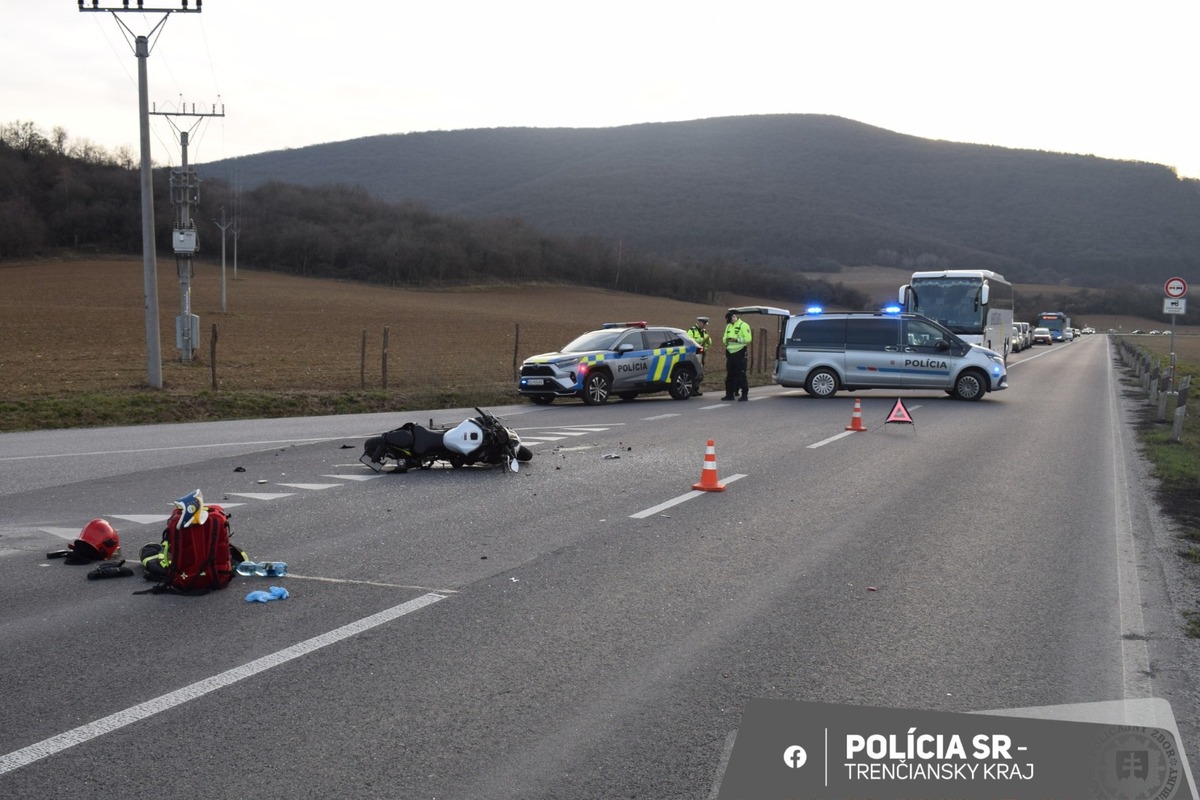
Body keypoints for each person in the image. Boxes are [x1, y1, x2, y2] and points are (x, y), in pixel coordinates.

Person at [721, 310, 752, 401]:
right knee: (730, 375)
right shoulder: (728, 326)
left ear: (734, 317)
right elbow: (723, 338)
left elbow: (748, 339)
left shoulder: (744, 325)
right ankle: (729, 394)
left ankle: (744, 394)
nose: (730, 322)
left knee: (741, 374)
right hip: (730, 353)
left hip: (740, 353)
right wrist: (726, 340)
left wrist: (736, 339)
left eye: (730, 320)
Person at [686, 316, 713, 396]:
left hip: (701, 353)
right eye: (704, 323)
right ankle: (691, 389)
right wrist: (701, 340)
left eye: (705, 324)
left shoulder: (704, 331)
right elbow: (689, 341)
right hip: (694, 354)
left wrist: (705, 348)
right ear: (700, 322)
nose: (704, 325)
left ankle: (696, 389)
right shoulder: (692, 330)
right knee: (694, 371)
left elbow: (709, 343)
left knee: (700, 372)